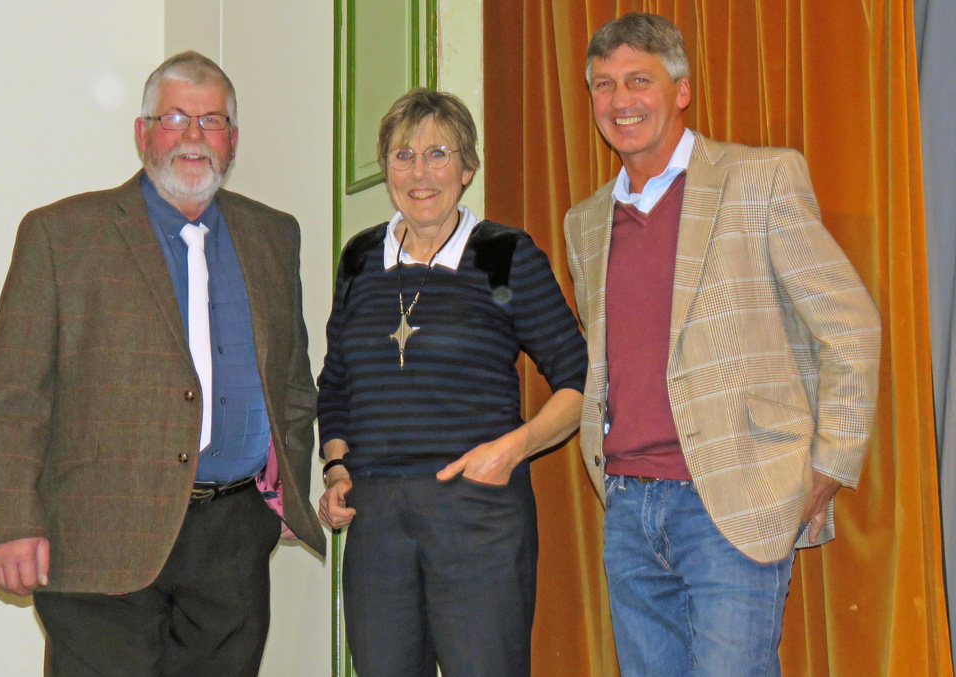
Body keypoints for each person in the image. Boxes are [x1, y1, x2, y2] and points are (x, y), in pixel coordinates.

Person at [0, 51, 324, 675]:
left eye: (212, 120)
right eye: (174, 118)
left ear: (233, 140)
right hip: (100, 533)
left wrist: (283, 495)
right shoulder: (61, 234)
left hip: (232, 541)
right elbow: (13, 394)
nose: (193, 137)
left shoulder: (275, 234)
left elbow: (292, 380)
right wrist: (10, 522)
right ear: (142, 133)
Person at [563, 14, 882, 676]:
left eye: (638, 80)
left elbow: (849, 322)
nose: (620, 101)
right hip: (627, 509)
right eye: (603, 85)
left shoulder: (760, 180)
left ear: (681, 90)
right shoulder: (585, 222)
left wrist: (831, 464)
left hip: (733, 503)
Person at [317, 87, 587, 677]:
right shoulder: (359, 259)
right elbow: (335, 382)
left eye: (438, 154)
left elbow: (579, 383)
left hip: (477, 510)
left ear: (467, 169)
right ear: (385, 166)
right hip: (378, 517)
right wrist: (337, 469)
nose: (420, 172)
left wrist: (508, 452)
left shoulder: (503, 255)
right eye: (402, 155)